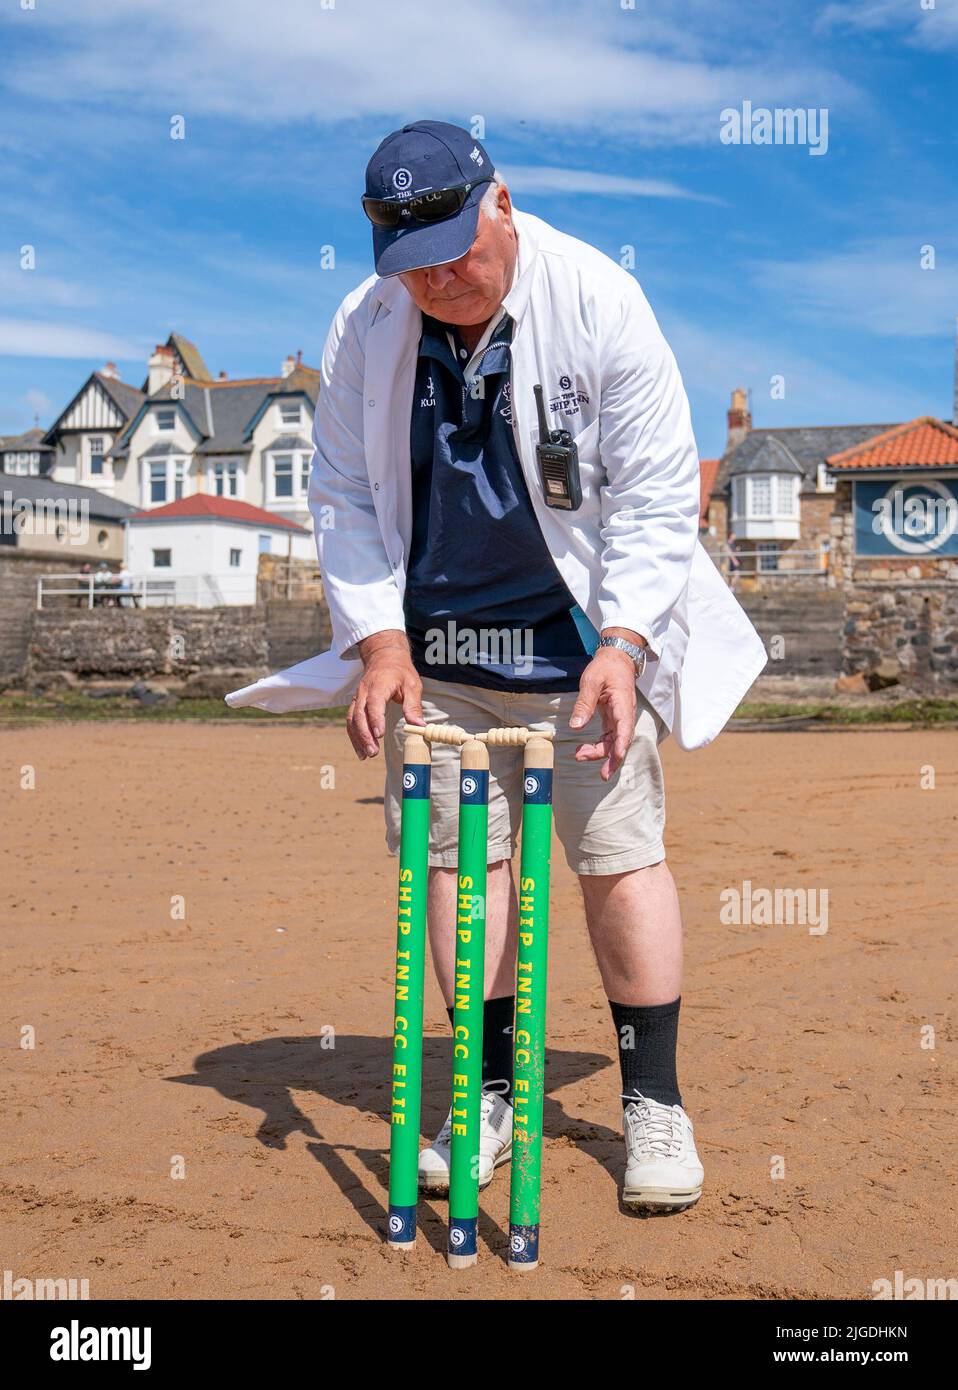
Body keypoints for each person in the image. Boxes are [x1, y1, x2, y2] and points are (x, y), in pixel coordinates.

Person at [229, 121, 767, 1213]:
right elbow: (339, 491)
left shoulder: (600, 301)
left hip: (580, 649)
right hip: (440, 655)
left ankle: (653, 1103)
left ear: (501, 204)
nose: (437, 281)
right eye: (410, 264)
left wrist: (623, 641)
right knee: (453, 867)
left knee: (615, 855)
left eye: (454, 254)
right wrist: (378, 638)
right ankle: (485, 1091)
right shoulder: (367, 322)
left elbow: (662, 495)